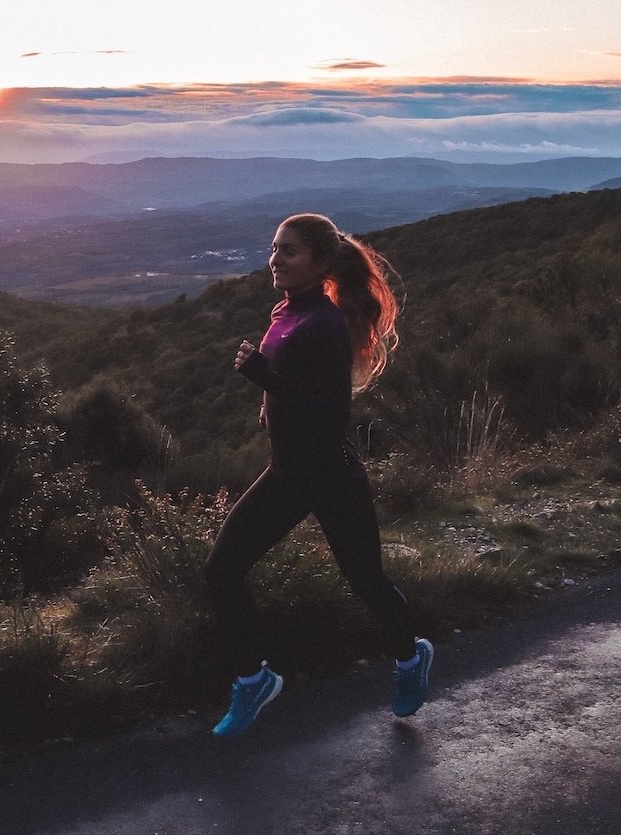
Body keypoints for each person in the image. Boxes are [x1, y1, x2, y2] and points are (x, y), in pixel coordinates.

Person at [205, 212, 433, 737]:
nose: (275, 260)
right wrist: (269, 398)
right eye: (274, 249)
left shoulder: (324, 322)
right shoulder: (287, 311)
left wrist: (266, 379)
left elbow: (332, 414)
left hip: (328, 475)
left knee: (366, 581)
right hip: (287, 473)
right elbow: (294, 383)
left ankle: (409, 658)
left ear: (321, 262)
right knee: (221, 571)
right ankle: (253, 679)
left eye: (289, 252)